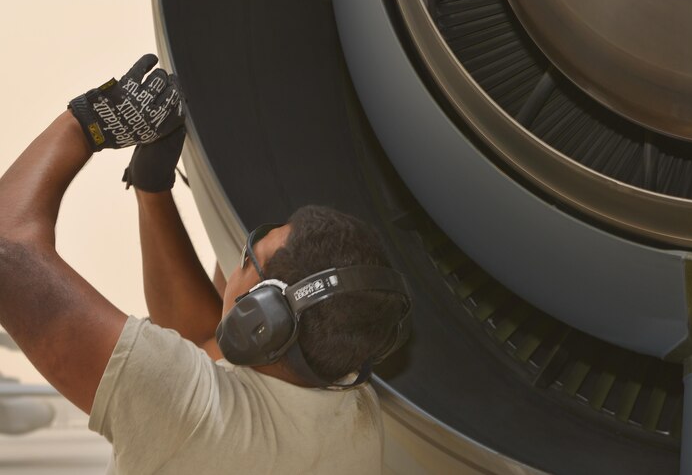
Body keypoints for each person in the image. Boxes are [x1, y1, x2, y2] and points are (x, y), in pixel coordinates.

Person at [0, 54, 410, 473]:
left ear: (259, 317)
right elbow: (198, 341)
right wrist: (152, 189)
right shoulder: (351, 402)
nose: (237, 256)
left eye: (252, 251)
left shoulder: (178, 408)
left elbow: (6, 247)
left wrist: (90, 123)